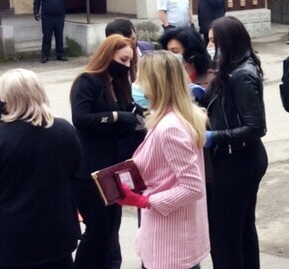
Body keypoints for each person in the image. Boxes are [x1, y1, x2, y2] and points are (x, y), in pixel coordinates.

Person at [118, 50, 210, 269]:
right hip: (172, 234)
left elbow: (192, 187)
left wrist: (143, 201)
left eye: (140, 78)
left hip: (171, 241)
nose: (136, 83)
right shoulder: (171, 117)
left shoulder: (170, 127)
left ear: (155, 83)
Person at [70, 34, 145, 269]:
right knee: (96, 232)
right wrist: (114, 117)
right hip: (89, 172)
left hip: (114, 169)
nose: (125, 66)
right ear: (107, 55)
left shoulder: (119, 85)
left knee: (110, 231)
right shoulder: (87, 81)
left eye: (129, 63)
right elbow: (80, 119)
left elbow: (131, 116)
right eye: (122, 60)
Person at [201, 16, 268, 269]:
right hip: (236, 158)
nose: (209, 47)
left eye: (213, 42)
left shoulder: (242, 74)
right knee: (240, 228)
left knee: (226, 235)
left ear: (227, 43)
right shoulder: (231, 67)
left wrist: (213, 137)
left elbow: (256, 127)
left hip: (238, 161)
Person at [0, 68, 81, 269]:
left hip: (13, 239)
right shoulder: (64, 129)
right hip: (57, 234)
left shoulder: (3, 136)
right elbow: (74, 169)